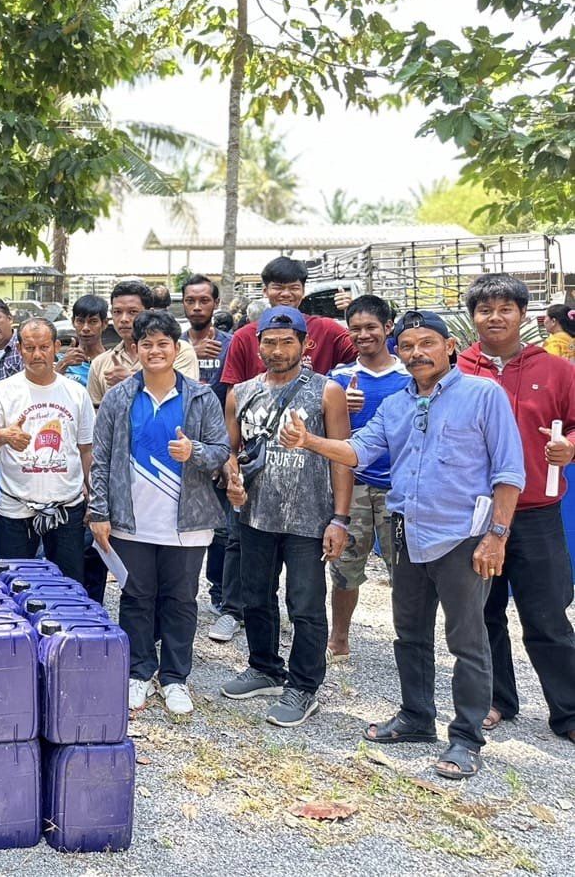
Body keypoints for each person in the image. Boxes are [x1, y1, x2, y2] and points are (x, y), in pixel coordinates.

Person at [281, 309, 524, 779]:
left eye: (427, 343)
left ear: (449, 346)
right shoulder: (396, 404)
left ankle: (466, 738)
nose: (416, 353)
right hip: (407, 534)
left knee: (467, 640)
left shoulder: (483, 395)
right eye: (407, 346)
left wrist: (497, 535)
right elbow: (357, 451)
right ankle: (416, 717)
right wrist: (309, 440)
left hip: (463, 538)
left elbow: (509, 472)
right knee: (409, 633)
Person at [88, 310, 230, 715]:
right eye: (146, 344)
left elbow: (221, 450)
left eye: (162, 343)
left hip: (187, 522)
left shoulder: (200, 397)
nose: (154, 351)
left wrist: (193, 451)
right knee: (136, 597)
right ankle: (139, 672)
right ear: (136, 349)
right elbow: (101, 459)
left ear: (176, 347)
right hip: (132, 520)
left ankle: (174, 678)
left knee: (181, 600)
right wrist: (99, 511)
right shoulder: (118, 398)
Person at [455, 274, 575, 742]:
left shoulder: (558, 370)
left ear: (523, 314)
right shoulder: (457, 369)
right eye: (485, 310)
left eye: (505, 308)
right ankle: (496, 699)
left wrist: (569, 447)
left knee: (547, 617)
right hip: (475, 513)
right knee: (483, 614)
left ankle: (568, 711)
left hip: (536, 512)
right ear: (473, 317)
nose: (495, 317)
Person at [222, 305, 351, 727]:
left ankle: (304, 686)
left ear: (305, 344)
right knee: (256, 596)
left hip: (309, 519)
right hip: (255, 515)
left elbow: (342, 456)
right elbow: (231, 451)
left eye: (287, 342)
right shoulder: (240, 392)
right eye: (270, 343)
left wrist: (340, 519)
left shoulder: (327, 391)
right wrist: (232, 479)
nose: (278, 350)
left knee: (305, 604)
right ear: (257, 345)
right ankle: (264, 667)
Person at [0, 318, 95, 587]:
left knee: (68, 585)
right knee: (15, 584)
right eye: (29, 348)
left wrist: (94, 498)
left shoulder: (76, 393)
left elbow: (86, 449)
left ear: (56, 347)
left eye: (44, 347)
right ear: (20, 349)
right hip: (16, 507)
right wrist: (5, 435)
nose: (37, 354)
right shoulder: (4, 390)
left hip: (66, 506)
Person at [325, 295, 408, 659]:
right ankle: (339, 638)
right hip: (353, 484)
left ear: (388, 328)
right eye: (355, 328)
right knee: (345, 568)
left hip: (398, 487)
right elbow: (327, 433)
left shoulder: (409, 375)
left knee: (404, 571)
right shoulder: (338, 378)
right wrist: (341, 407)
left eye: (371, 327)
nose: (363, 335)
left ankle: (410, 641)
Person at [180, 274, 239, 641]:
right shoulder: (174, 344)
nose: (197, 307)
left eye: (204, 300)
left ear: (216, 304)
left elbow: (234, 398)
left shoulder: (231, 345)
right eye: (191, 300)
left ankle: (220, 596)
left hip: (217, 448)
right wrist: (190, 357)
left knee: (222, 530)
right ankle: (178, 595)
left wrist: (226, 454)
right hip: (179, 448)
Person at [220, 256, 356, 386]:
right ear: (265, 291)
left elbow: (365, 355)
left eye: (294, 288)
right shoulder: (243, 337)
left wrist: (354, 313)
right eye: (278, 287)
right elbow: (233, 391)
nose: (286, 294)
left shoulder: (327, 329)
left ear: (303, 291)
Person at [87, 280, 200, 407]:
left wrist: (131, 380)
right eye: (117, 312)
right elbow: (97, 413)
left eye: (132, 312)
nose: (124, 319)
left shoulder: (177, 350)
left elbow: (185, 396)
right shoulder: (100, 363)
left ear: (149, 312)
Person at [57, 294, 108, 389]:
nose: (85, 328)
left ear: (104, 323)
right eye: (80, 321)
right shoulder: (58, 360)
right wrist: (63, 365)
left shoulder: (112, 362)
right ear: (73, 322)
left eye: (93, 321)